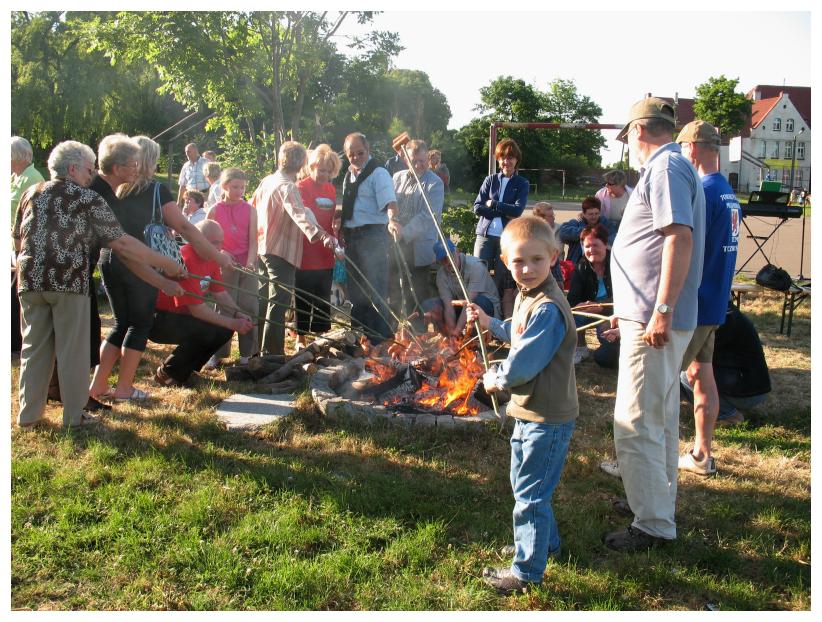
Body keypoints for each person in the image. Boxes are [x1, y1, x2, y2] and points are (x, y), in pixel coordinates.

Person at [13, 140, 183, 429]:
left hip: (28, 280)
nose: (90, 176)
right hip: (68, 281)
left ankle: (29, 416)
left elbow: (18, 237)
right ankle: (74, 416)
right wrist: (166, 265)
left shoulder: (32, 192)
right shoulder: (87, 198)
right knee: (72, 350)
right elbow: (123, 244)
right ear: (73, 169)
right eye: (88, 170)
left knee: (34, 347)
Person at [603, 96, 705, 552]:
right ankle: (655, 504)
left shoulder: (664, 169)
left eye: (627, 137)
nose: (628, 146)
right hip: (646, 315)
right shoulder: (673, 167)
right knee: (660, 418)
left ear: (639, 131)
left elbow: (677, 238)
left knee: (636, 421)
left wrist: (659, 310)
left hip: (655, 320)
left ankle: (653, 526)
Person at [464, 216, 578, 595]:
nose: (526, 269)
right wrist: (488, 321)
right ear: (503, 260)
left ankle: (527, 571)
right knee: (528, 485)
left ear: (554, 257)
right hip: (529, 412)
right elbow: (517, 332)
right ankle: (546, 544)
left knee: (530, 493)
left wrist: (496, 378)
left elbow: (525, 361)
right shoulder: (530, 298)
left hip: (546, 417)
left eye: (536, 260)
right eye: (518, 262)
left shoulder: (547, 308)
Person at [89, 135, 231, 402]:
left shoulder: (116, 191)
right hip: (141, 260)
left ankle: (97, 386)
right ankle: (124, 388)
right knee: (140, 324)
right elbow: (186, 227)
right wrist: (216, 255)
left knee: (120, 323)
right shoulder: (155, 190)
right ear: (149, 161)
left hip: (110, 258)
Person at [675, 120, 739, 475]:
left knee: (664, 382)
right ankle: (702, 454)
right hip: (714, 302)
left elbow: (685, 250)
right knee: (702, 374)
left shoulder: (703, 192)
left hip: (694, 304)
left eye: (683, 148)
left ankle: (647, 460)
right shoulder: (726, 191)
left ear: (694, 148)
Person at [252, 141, 337, 356]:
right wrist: (323, 236)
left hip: (263, 247)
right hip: (281, 251)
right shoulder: (288, 186)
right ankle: (272, 353)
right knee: (278, 302)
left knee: (265, 299)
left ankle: (256, 347)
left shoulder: (267, 180)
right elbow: (300, 216)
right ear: (302, 164)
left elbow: (252, 208)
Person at [150, 220, 253, 387]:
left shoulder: (211, 257)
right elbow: (198, 310)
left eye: (221, 242)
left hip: (183, 317)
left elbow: (221, 293)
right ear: (198, 240)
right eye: (214, 243)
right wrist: (233, 322)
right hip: (160, 319)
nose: (219, 247)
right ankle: (168, 373)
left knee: (223, 330)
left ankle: (186, 372)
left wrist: (237, 313)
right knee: (205, 330)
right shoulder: (186, 260)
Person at [340, 132, 401, 343]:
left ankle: (381, 341)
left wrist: (392, 220)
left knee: (376, 290)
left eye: (360, 153)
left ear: (368, 150)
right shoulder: (349, 175)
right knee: (356, 292)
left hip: (372, 236)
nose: (356, 157)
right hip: (352, 238)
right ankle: (359, 339)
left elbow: (390, 203)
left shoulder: (379, 173)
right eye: (351, 154)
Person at [681, 302, 770, 426]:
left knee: (685, 373)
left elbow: (686, 361)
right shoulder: (719, 309)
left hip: (747, 392)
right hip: (751, 385)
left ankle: (728, 415)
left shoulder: (713, 319)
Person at [206, 167, 259, 366]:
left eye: (242, 187)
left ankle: (247, 354)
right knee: (225, 308)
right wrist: (220, 255)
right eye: (235, 187)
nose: (239, 191)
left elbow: (253, 240)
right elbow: (207, 239)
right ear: (225, 187)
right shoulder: (215, 209)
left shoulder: (250, 209)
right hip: (224, 264)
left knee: (248, 306)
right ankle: (218, 353)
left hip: (247, 264)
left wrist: (251, 262)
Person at [473, 138, 529, 319]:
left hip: (507, 239)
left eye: (510, 158)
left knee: (502, 280)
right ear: (498, 159)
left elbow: (518, 210)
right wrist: (503, 211)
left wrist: (494, 204)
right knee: (478, 276)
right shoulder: (490, 180)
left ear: (516, 160)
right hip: (485, 235)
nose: (506, 161)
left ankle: (497, 320)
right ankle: (477, 318)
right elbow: (477, 207)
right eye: (503, 157)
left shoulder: (522, 183)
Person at [389, 139, 445, 324]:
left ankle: (416, 336)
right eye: (415, 161)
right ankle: (395, 333)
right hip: (395, 244)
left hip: (418, 248)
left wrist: (403, 232)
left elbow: (428, 216)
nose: (420, 165)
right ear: (407, 160)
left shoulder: (435, 183)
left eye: (423, 160)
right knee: (395, 291)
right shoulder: (397, 178)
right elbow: (389, 204)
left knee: (416, 294)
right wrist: (392, 223)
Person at [294, 145, 343, 348]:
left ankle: (322, 334)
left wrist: (336, 237)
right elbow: (303, 216)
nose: (324, 174)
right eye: (320, 169)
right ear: (311, 166)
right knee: (303, 294)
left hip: (326, 249)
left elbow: (332, 217)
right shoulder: (300, 187)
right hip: (306, 248)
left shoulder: (331, 190)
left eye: (328, 171)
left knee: (323, 294)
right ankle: (300, 336)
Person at [423, 238, 500, 336]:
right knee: (432, 304)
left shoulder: (476, 266)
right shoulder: (441, 274)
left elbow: (469, 302)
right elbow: (448, 305)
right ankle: (448, 336)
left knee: (475, 303)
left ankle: (477, 337)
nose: (448, 261)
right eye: (443, 259)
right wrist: (452, 330)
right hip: (462, 307)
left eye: (450, 256)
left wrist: (457, 330)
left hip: (485, 307)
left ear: (458, 252)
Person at [11, 136, 46, 353]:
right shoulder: (15, 177)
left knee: (15, 294)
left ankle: (16, 343)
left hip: (21, 244)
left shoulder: (32, 178)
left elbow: (34, 215)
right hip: (10, 241)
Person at [567, 224, 619, 368]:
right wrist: (579, 306)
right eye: (587, 246)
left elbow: (626, 298)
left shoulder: (617, 263)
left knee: (606, 356)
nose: (591, 250)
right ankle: (581, 347)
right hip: (590, 311)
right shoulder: (581, 267)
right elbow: (572, 299)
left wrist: (601, 308)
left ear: (605, 244)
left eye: (595, 245)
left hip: (614, 313)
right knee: (572, 316)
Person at [558, 196, 616, 266]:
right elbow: (563, 232)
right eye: (590, 214)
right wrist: (587, 232)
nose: (594, 217)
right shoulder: (577, 222)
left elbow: (614, 240)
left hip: (601, 264)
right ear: (583, 214)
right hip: (576, 264)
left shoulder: (606, 223)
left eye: (596, 213)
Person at [532, 201, 565, 287]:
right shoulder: (529, 233)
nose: (554, 218)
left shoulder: (558, 228)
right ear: (540, 218)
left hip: (555, 265)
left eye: (553, 215)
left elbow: (558, 252)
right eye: (550, 216)